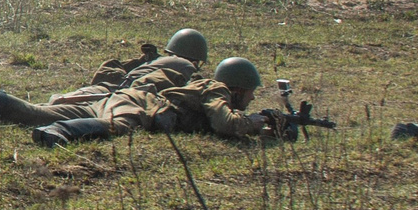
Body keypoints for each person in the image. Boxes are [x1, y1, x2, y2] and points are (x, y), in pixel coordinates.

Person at [0, 30, 210, 127]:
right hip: (110, 102)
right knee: (33, 116)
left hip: (99, 92)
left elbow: (107, 72)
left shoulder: (156, 61)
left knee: (26, 115)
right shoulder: (184, 69)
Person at [25, 56, 286, 149]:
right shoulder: (217, 89)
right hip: (143, 106)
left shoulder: (213, 90)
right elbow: (224, 123)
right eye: (251, 92)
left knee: (37, 113)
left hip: (134, 100)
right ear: (237, 88)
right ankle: (59, 131)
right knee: (119, 126)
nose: (252, 98)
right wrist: (252, 124)